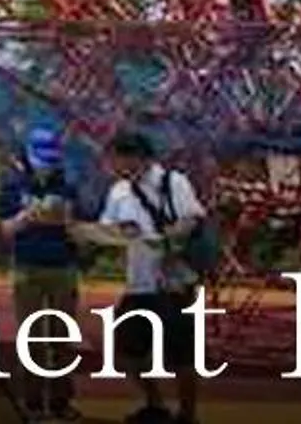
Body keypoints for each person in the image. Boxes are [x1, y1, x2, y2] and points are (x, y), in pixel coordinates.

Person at [93, 127, 208, 424]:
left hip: (175, 282)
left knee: (181, 351)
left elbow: (191, 219)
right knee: (126, 345)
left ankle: (187, 414)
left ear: (137, 158)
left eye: (116, 159)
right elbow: (108, 228)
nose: (113, 166)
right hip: (139, 282)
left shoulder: (172, 182)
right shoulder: (119, 191)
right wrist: (110, 232)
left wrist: (168, 240)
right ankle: (155, 404)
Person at [0, 125, 85, 421]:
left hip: (63, 267)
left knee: (61, 337)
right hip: (27, 267)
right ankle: (32, 401)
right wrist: (26, 217)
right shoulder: (13, 185)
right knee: (31, 337)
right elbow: (5, 229)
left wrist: (64, 220)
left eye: (51, 161)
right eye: (42, 161)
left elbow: (78, 229)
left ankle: (61, 401)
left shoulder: (67, 186)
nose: (47, 167)